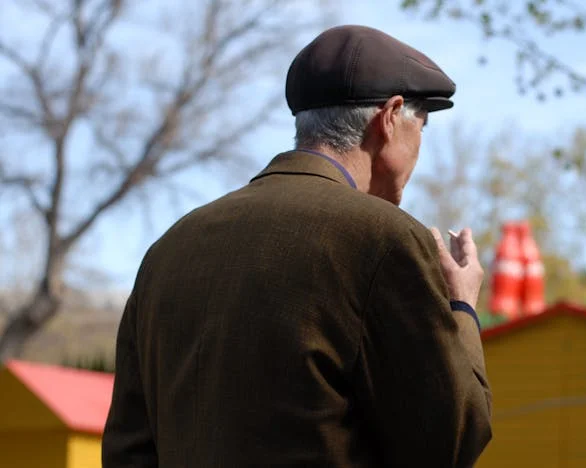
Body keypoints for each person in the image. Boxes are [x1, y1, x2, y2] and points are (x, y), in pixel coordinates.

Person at [103, 25, 492, 467]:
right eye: (421, 126)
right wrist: (461, 306)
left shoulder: (167, 250)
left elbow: (127, 450)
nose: (420, 147)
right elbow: (451, 438)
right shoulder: (387, 239)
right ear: (390, 116)